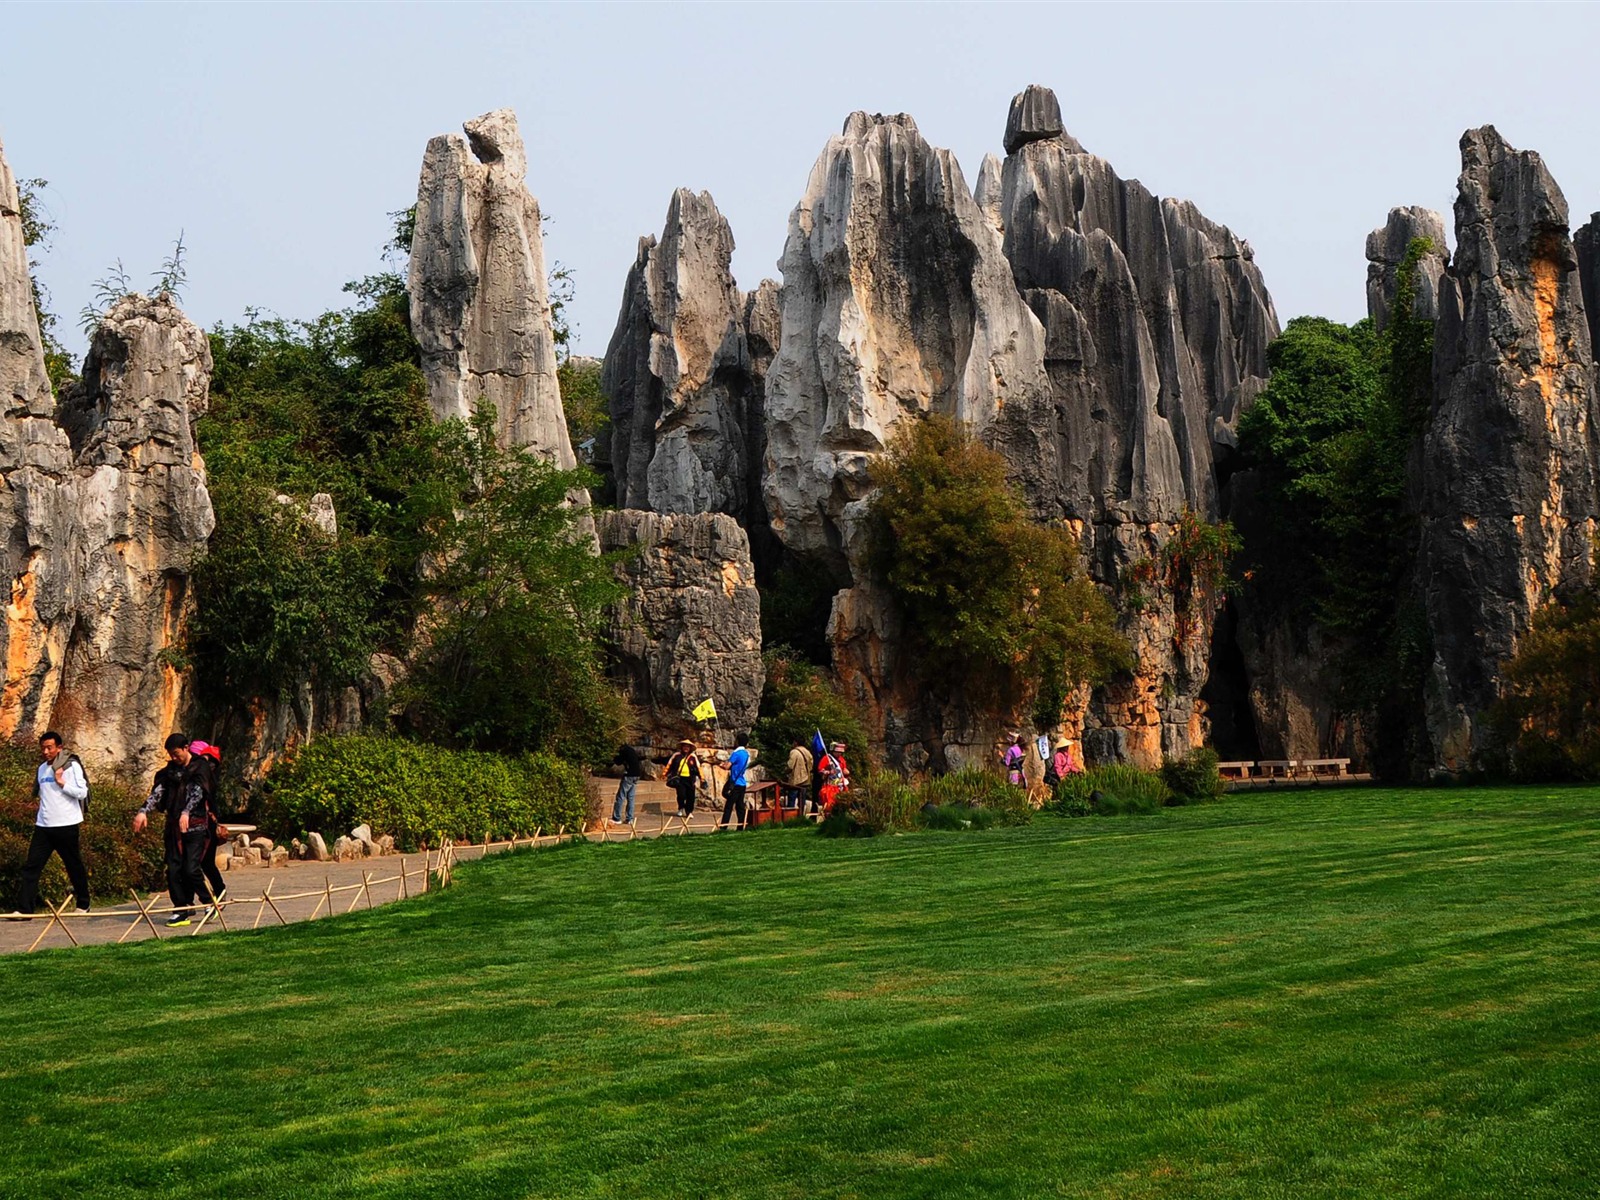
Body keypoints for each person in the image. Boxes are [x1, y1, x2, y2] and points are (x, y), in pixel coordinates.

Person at [11, 731, 91, 918]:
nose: (46, 751)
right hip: (44, 826)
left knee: (73, 865)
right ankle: (24, 909)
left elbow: (82, 792)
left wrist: (61, 782)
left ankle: (84, 903)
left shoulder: (71, 766)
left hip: (66, 825)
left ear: (59, 748)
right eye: (43, 748)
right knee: (31, 866)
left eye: (50, 747)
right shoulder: (41, 769)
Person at [133, 734, 194, 917]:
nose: (174, 758)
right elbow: (157, 794)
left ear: (186, 748)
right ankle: (180, 906)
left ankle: (204, 900)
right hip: (173, 824)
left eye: (177, 754)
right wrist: (143, 811)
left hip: (196, 825)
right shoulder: (168, 773)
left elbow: (200, 795)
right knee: (173, 866)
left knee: (191, 868)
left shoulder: (199, 768)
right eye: (171, 755)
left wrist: (187, 812)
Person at [720, 734, 751, 830]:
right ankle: (741, 826)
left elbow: (727, 767)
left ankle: (723, 827)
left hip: (735, 783)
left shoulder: (736, 753)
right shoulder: (746, 754)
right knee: (739, 806)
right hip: (742, 783)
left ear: (737, 741)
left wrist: (721, 764)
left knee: (729, 806)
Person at [664, 738, 701, 818]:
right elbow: (669, 765)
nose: (686, 748)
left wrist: (703, 779)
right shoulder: (676, 755)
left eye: (688, 746)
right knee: (681, 794)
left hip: (690, 779)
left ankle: (689, 812)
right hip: (679, 778)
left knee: (691, 796)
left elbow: (698, 768)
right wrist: (664, 774)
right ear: (682, 747)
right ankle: (681, 808)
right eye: (684, 746)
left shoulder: (693, 757)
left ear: (690, 748)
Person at [610, 742, 644, 825]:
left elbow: (618, 761)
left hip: (629, 775)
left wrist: (613, 758)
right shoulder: (631, 750)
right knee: (631, 797)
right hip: (637, 775)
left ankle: (616, 818)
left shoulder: (624, 751)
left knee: (621, 796)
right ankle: (630, 818)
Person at [818, 741, 851, 814]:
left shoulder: (842, 759)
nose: (839, 754)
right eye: (837, 752)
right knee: (830, 802)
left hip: (841, 785)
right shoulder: (826, 758)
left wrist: (847, 772)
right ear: (833, 751)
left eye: (840, 752)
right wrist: (827, 771)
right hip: (830, 785)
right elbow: (820, 770)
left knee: (842, 802)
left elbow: (844, 769)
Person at [783, 737, 812, 815]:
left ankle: (790, 816)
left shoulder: (794, 752)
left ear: (796, 742)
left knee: (792, 798)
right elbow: (811, 766)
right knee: (802, 799)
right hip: (806, 779)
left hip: (796, 779)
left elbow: (790, 766)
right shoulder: (808, 752)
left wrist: (785, 772)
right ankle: (801, 816)